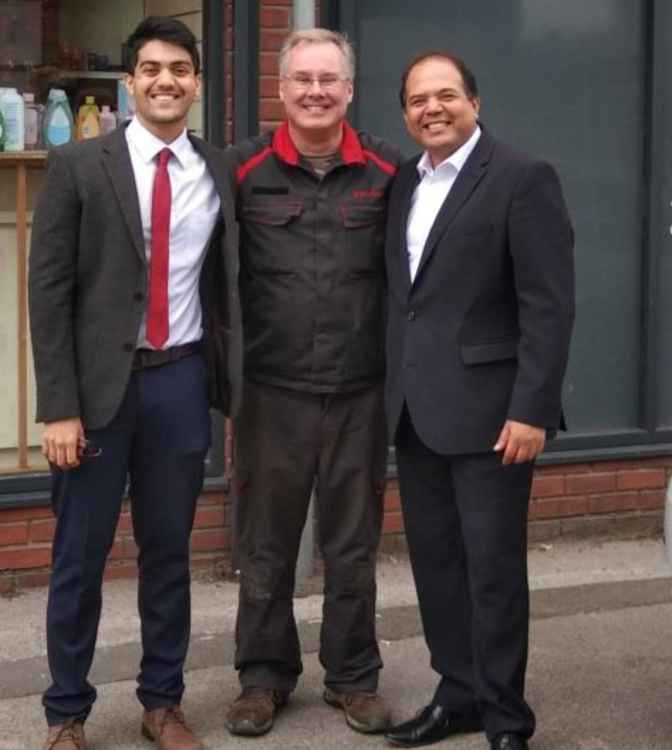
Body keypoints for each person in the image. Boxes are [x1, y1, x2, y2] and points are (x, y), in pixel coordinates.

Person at [29, 16, 241, 750]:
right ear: (130, 82)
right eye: (151, 68)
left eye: (180, 69)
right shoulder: (78, 166)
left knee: (168, 555)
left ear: (196, 84)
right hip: (92, 397)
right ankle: (66, 714)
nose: (165, 80)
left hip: (178, 385)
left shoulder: (217, 172)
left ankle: (162, 703)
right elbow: (48, 294)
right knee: (79, 559)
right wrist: (57, 407)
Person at [383, 52, 574, 750]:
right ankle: (457, 693)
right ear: (404, 113)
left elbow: (548, 307)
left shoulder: (523, 179)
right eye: (417, 101)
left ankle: (505, 717)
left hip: (496, 418)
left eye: (446, 96)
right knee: (437, 568)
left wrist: (533, 408)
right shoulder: (404, 181)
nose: (431, 109)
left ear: (475, 102)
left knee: (492, 571)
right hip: (417, 414)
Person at [222, 28, 400, 738]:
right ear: (283, 89)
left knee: (352, 543)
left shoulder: (391, 172)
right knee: (266, 542)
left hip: (361, 390)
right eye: (303, 79)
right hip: (272, 392)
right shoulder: (240, 169)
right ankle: (263, 678)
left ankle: (353, 677)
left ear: (349, 90)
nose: (316, 91)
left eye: (330, 79)